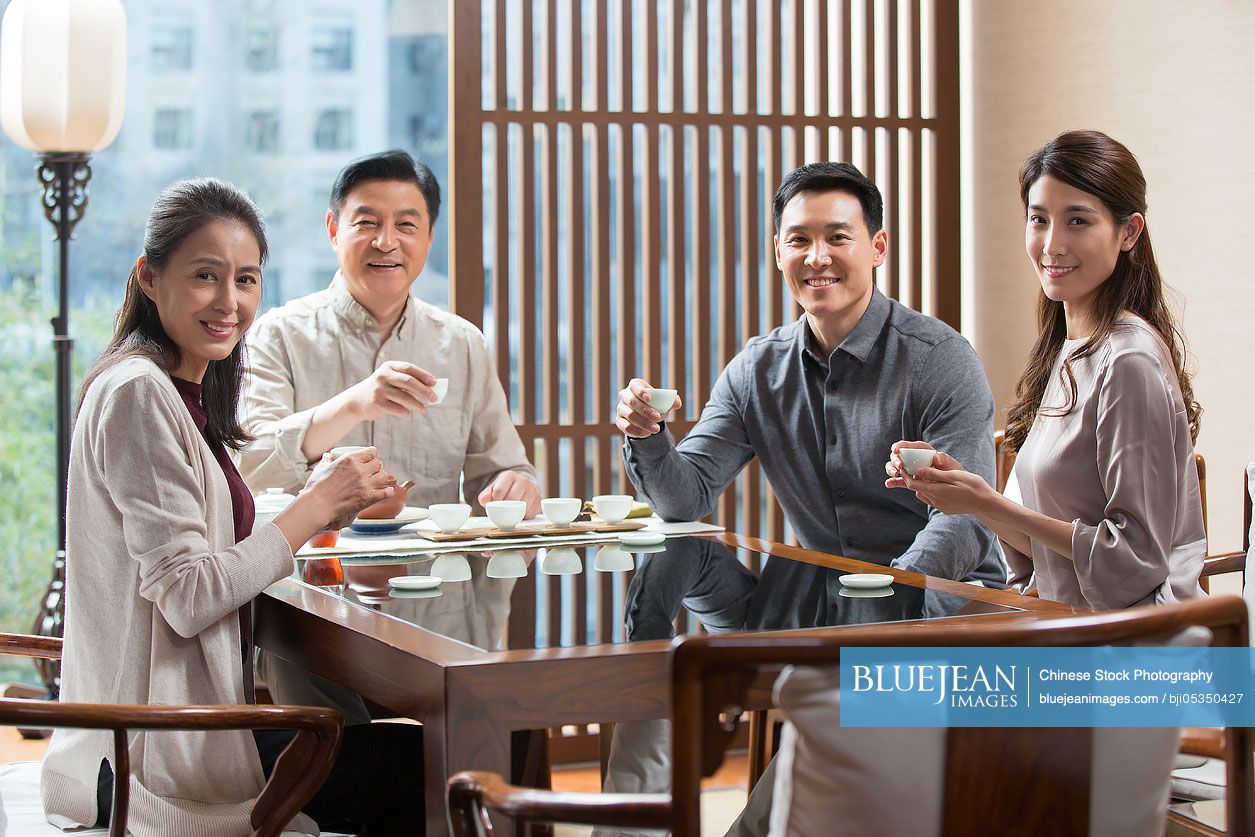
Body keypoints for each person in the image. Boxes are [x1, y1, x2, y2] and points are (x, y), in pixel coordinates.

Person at [41, 179, 424, 835]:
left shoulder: (171, 386)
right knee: (453, 762)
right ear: (150, 277)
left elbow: (191, 544)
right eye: (205, 276)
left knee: (439, 752)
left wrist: (323, 507)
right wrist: (311, 506)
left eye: (245, 280)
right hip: (154, 756)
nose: (229, 301)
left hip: (174, 736)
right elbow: (189, 594)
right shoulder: (139, 392)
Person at [237, 149, 540, 721]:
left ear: (428, 238)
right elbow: (248, 465)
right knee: (340, 767)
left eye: (406, 224)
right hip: (312, 608)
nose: (386, 241)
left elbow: (504, 466)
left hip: (436, 603)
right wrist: (353, 403)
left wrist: (514, 485)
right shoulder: (278, 334)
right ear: (334, 229)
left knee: (453, 765)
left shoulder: (462, 343)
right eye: (367, 222)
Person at [617, 161, 1005, 586]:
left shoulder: (940, 359)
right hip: (827, 605)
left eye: (838, 237)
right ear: (779, 251)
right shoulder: (756, 370)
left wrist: (891, 591)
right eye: (799, 240)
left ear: (878, 247)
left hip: (953, 605)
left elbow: (966, 519)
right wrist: (646, 435)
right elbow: (685, 500)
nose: (817, 257)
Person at [886, 130, 1204, 610]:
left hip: (1133, 648)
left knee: (865, 678)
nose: (1052, 244)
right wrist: (969, 496)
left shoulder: (1129, 360)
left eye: (1077, 220)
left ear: (1129, 232)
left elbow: (1136, 561)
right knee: (844, 678)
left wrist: (987, 502)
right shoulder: (1072, 346)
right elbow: (1045, 548)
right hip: (1065, 624)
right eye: (1039, 219)